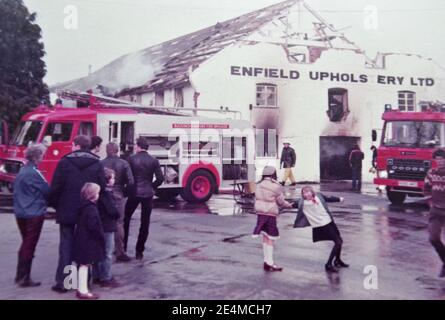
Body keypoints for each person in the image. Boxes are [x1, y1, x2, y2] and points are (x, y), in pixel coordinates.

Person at [50, 135, 107, 293]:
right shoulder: (97, 163)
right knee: (86, 247)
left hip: (67, 211)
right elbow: (101, 188)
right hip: (87, 212)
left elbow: (55, 189)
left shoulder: (64, 162)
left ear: (75, 145)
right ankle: (84, 283)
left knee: (66, 247)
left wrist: (58, 206)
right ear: (88, 146)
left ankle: (65, 282)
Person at [13, 144, 50, 287]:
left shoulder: (22, 171)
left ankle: (20, 275)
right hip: (34, 213)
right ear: (37, 157)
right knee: (29, 245)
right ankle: (24, 277)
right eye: (42, 155)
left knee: (25, 243)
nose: (43, 158)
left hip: (21, 212)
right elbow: (47, 190)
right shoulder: (35, 173)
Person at [124, 137, 164, 260]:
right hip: (148, 194)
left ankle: (123, 247)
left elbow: (128, 178)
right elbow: (160, 179)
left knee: (126, 219)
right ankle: (139, 251)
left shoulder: (131, 159)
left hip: (134, 193)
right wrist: (152, 187)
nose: (135, 147)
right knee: (145, 223)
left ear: (139, 146)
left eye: (136, 145)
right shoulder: (154, 160)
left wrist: (127, 190)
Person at [293, 186, 348, 273]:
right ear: (302, 195)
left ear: (312, 192)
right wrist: (280, 204)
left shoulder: (319, 196)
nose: (306, 194)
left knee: (339, 240)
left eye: (308, 192)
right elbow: (290, 204)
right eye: (304, 193)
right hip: (322, 225)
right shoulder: (302, 203)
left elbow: (328, 198)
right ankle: (328, 264)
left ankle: (337, 260)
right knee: (338, 242)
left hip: (329, 221)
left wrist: (339, 199)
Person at [253, 166, 292, 271]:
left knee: (265, 237)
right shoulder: (275, 186)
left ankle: (266, 261)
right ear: (273, 174)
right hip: (270, 214)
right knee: (271, 238)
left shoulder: (259, 184)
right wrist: (288, 205)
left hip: (260, 213)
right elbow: (280, 202)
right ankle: (270, 263)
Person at [101, 142, 134, 262]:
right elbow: (131, 182)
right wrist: (124, 193)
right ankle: (120, 251)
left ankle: (104, 249)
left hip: (104, 195)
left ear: (106, 150)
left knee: (104, 222)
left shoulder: (101, 163)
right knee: (119, 223)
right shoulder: (124, 163)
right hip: (119, 194)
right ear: (117, 150)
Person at [73, 183, 105, 300]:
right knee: (85, 265)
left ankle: (81, 289)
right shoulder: (91, 209)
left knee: (83, 265)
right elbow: (93, 226)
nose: (98, 195)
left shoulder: (83, 206)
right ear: (93, 195)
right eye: (97, 193)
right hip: (88, 241)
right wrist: (100, 237)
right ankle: (83, 291)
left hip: (81, 239)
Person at [94, 168, 120, 287]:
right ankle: (106, 277)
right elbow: (113, 211)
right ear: (108, 180)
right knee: (107, 252)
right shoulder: (107, 194)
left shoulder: (97, 192)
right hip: (108, 226)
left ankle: (96, 275)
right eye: (113, 178)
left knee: (99, 251)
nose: (114, 180)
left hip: (100, 225)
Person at [424, 148, 445, 277]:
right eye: (437, 159)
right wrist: (430, 202)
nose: (440, 161)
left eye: (442, 159)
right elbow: (426, 189)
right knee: (433, 238)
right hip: (436, 210)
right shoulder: (431, 173)